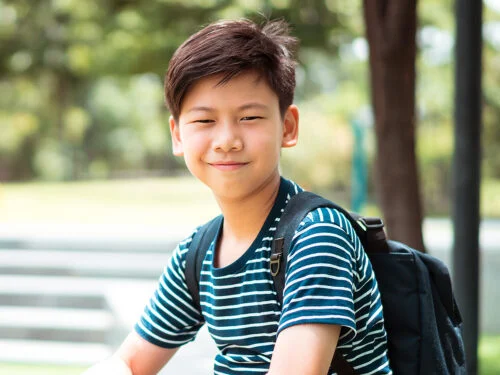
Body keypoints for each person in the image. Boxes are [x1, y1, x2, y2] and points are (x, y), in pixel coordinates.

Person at [83, 18, 392, 375]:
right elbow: (129, 363)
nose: (227, 139)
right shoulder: (198, 253)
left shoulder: (317, 236)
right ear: (177, 135)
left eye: (249, 117)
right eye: (204, 121)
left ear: (288, 127)